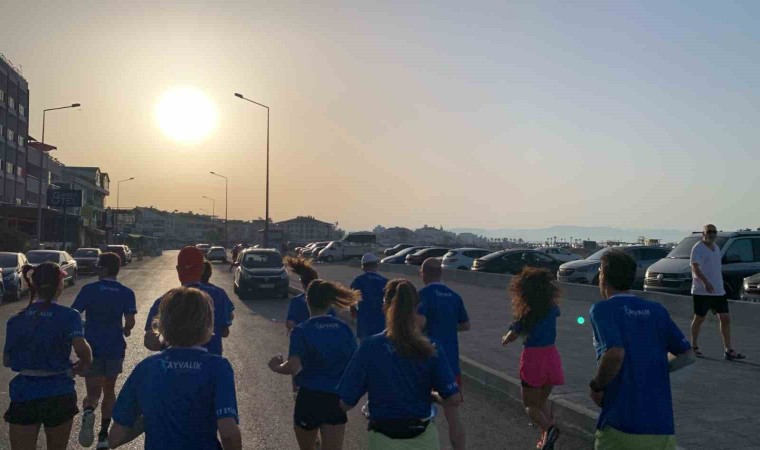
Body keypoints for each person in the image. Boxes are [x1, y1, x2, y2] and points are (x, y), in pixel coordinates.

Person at [109, 287, 242, 450]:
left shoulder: (146, 368)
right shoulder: (218, 367)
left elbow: (115, 438)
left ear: (162, 324)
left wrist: (150, 417)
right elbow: (229, 433)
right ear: (208, 324)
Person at [589, 251, 695, 450]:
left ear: (603, 276)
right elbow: (688, 355)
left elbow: (615, 353)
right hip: (662, 428)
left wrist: (596, 386)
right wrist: (652, 367)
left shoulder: (602, 310)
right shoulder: (656, 310)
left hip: (621, 425)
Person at [339, 279, 462, 450]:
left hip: (384, 440)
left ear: (385, 307)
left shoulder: (370, 347)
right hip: (424, 439)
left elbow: (345, 402)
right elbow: (453, 398)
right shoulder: (431, 347)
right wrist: (433, 396)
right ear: (416, 307)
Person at [3, 263, 93, 450]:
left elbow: (7, 360)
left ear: (33, 285)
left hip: (24, 393)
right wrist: (85, 363)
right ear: (60, 285)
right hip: (59, 392)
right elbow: (81, 348)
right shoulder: (70, 316)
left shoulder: (16, 319)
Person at [268, 279, 358, 450]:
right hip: (335, 399)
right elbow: (355, 366)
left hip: (309, 398)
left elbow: (293, 366)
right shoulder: (344, 329)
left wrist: (276, 367)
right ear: (330, 302)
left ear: (307, 300)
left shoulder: (301, 330)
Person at [71, 252, 137, 449]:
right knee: (109, 390)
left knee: (93, 393)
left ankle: (89, 410)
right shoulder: (126, 292)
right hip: (114, 348)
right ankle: (103, 435)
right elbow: (130, 321)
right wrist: (126, 329)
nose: (97, 270)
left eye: (99, 267)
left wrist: (81, 330)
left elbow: (74, 314)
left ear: (105, 269)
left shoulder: (89, 289)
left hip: (91, 348)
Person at [502, 267, 564, 450]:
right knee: (542, 402)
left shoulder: (526, 311)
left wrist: (505, 340)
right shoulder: (552, 308)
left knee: (530, 405)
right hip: (551, 355)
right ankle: (546, 442)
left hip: (533, 357)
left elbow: (514, 333)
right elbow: (557, 313)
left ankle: (549, 429)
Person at [416, 258, 469, 450]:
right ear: (441, 273)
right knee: (453, 416)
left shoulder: (422, 295)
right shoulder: (454, 296)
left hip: (426, 360)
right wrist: (447, 327)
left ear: (423, 274)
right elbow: (465, 325)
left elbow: (419, 324)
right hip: (450, 363)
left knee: (421, 413)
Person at [143, 246, 234, 355]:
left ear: (178, 269)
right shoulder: (219, 295)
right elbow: (225, 332)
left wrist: (169, 344)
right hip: (211, 362)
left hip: (172, 363)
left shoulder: (164, 300)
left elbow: (150, 342)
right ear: (202, 269)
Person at [690, 224, 745, 360]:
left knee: (725, 318)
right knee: (699, 318)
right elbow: (695, 268)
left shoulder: (716, 248)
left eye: (714, 232)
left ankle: (728, 350)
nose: (712, 234)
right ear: (703, 233)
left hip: (719, 291)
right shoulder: (698, 248)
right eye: (709, 231)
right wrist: (705, 282)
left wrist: (718, 285)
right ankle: (694, 346)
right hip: (702, 291)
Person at [284, 256, 335, 334]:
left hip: (304, 338)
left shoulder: (297, 301)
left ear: (303, 283)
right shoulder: (325, 299)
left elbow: (290, 323)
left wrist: (299, 331)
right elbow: (333, 320)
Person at [350, 254, 388, 341]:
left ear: (363, 266)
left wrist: (353, 311)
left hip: (364, 319)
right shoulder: (384, 281)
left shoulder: (358, 280)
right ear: (376, 265)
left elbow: (351, 299)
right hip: (380, 319)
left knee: (364, 345)